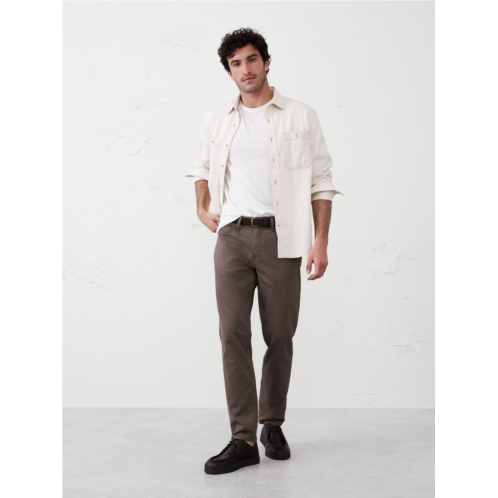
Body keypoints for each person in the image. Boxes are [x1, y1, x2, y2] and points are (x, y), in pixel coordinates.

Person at [186, 28, 342, 475]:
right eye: (236, 64)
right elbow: (200, 167)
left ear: (266, 62)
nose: (245, 70)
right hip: (232, 238)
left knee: (280, 335)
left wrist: (320, 241)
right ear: (229, 72)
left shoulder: (300, 116)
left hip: (282, 238)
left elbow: (322, 180)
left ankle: (272, 423)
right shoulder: (217, 119)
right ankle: (243, 438)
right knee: (232, 335)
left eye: (252, 59)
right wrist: (202, 207)